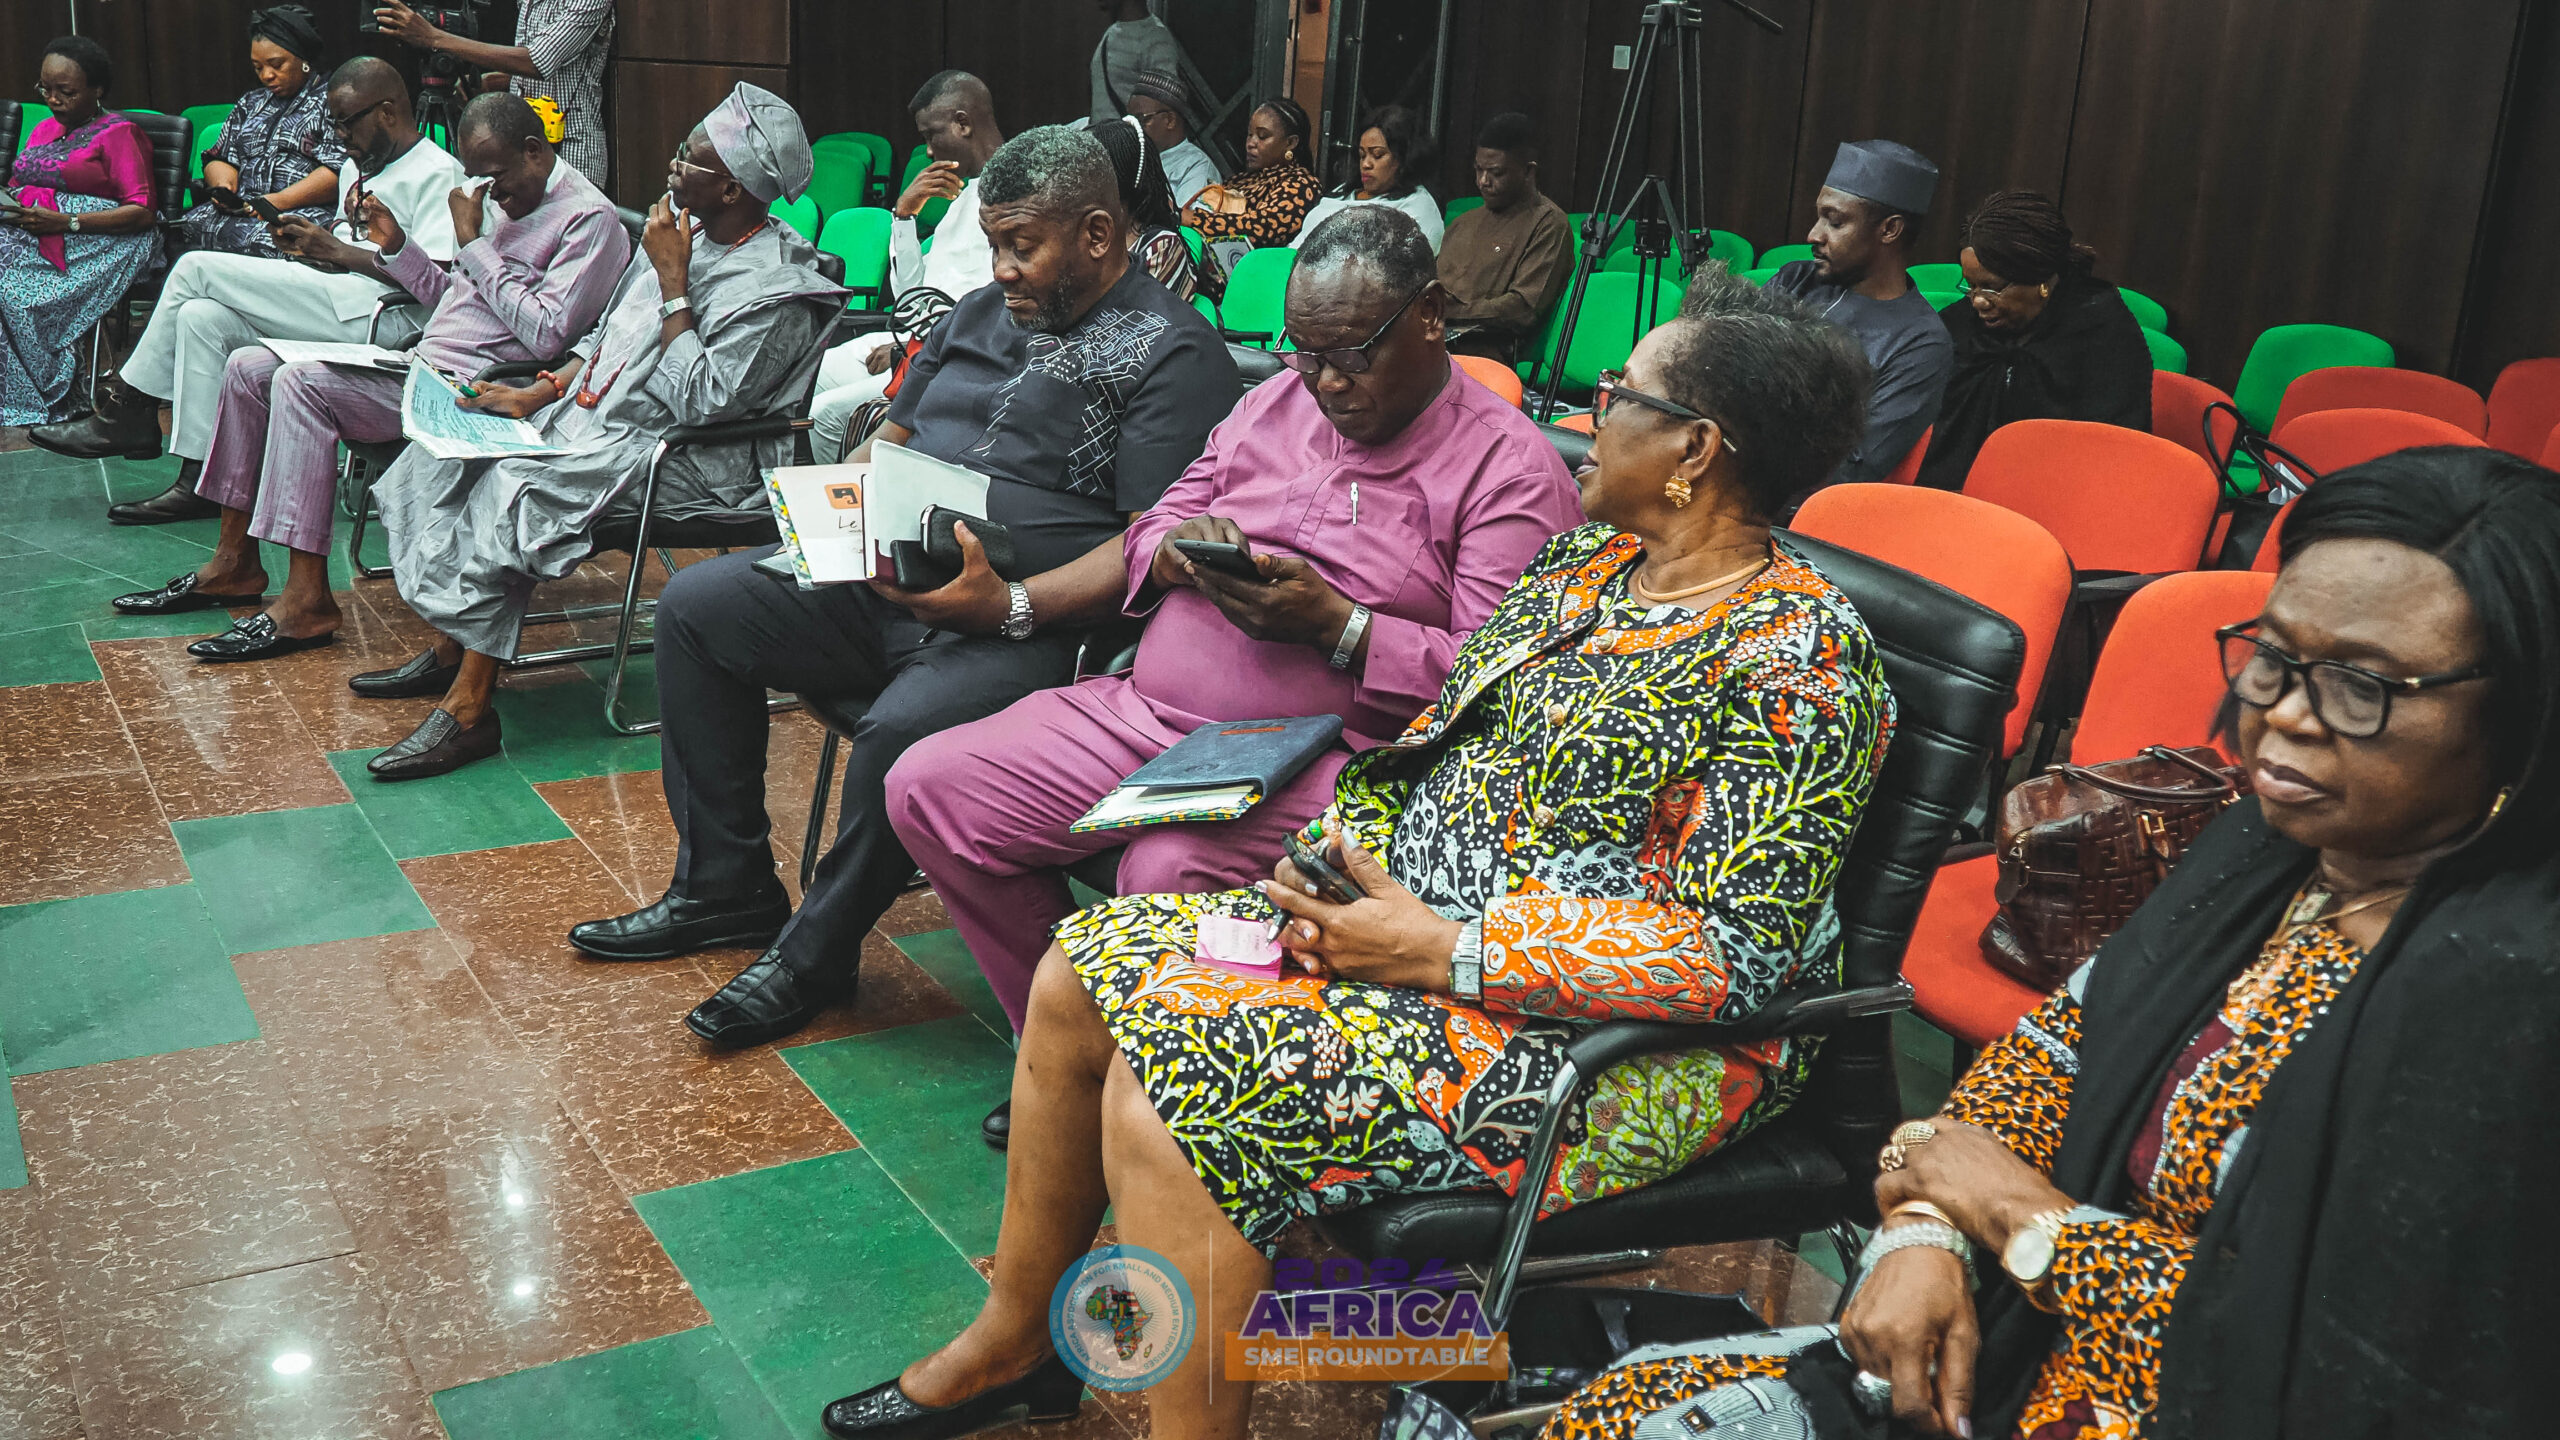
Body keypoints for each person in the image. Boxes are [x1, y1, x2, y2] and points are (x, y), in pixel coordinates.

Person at [821, 271, 1891, 1440]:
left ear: (1695, 447)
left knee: (1174, 1095)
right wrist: (1341, 865)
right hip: (1426, 939)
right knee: (1078, 973)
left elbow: (1734, 957)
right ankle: (1018, 1344)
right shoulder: (1585, 572)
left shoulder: (1798, 658)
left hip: (1616, 1045)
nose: (1585, 414)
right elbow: (1441, 753)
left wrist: (1448, 949)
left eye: (1616, 395)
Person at [1536, 443, 2560, 1440]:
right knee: (1621, 1409)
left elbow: (2338, 1370)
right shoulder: (2268, 850)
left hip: (2162, 1400)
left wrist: (2029, 1228)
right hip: (2025, 1350)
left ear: (2523, 712)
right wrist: (1925, 1231)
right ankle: (1433, 1351)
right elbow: (2040, 1067)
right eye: (2275, 658)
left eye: (2362, 686)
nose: (2285, 716)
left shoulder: (2511, 998)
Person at [886, 205, 1580, 1148]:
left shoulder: (1510, 469)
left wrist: (1342, 629)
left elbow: (1502, 682)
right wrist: (1178, 550)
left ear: (1431, 315)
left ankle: (1149, 1097)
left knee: (1166, 870)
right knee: (931, 787)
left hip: (1341, 761)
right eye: (1306, 353)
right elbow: (1158, 522)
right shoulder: (1274, 403)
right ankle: (1071, 1046)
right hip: (1149, 713)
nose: (1327, 383)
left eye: (1353, 354)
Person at [562, 126, 1239, 1052]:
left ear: (1095, 233)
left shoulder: (1176, 353)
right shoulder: (982, 312)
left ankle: (815, 955)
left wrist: (1010, 605)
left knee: (901, 729)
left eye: (1022, 246)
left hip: (1032, 623)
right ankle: (724, 888)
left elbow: (1146, 543)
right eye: (993, 244)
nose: (1000, 269)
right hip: (890, 572)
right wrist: (836, 512)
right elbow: (895, 440)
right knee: (695, 611)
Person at [354, 84, 844, 781]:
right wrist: (543, 389)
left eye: (689, 158)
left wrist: (675, 287)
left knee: (518, 484)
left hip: (691, 461)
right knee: (445, 453)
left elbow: (704, 402)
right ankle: (450, 646)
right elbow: (611, 332)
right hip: (600, 420)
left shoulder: (780, 289)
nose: (673, 164)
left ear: (732, 189)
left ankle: (470, 709)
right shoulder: (682, 231)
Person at [108, 94, 629, 663]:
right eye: (479, 177)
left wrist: (474, 244)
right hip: (424, 363)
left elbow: (547, 335)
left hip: (475, 390)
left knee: (301, 385)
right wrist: (398, 248)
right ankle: (235, 563)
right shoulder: (504, 195)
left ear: (534, 150)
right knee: (249, 367)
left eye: (496, 178)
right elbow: (450, 299)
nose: (489, 193)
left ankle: (307, 601)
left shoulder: (588, 221)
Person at [30, 56, 470, 527]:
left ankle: (128, 407)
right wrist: (313, 248)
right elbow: (349, 244)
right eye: (335, 123)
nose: (340, 136)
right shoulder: (358, 165)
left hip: (388, 319)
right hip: (336, 295)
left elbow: (437, 285)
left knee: (194, 267)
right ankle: (202, 480)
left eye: (347, 123)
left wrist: (338, 253)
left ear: (387, 111)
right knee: (200, 316)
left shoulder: (438, 172)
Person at [804, 70, 1006, 464]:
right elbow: (912, 296)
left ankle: (846, 498)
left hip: (947, 357)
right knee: (813, 372)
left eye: (932, 135)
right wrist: (903, 217)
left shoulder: (1006, 199)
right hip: (914, 338)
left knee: (824, 414)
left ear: (963, 123)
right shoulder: (963, 197)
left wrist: (915, 348)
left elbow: (983, 308)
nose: (928, 152)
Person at [1914, 190, 2155, 492]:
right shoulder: (1960, 325)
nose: (1978, 301)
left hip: (2059, 498)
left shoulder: (2104, 337)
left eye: (1991, 287)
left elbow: (2112, 452)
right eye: (1971, 286)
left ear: (2040, 280)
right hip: (1951, 498)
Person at [1763, 138, 1953, 501]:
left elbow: (1853, 468)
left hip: (1793, 514)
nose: (1813, 234)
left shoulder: (1920, 343)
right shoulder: (1795, 280)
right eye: (1819, 217)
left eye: (1835, 222)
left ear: (1889, 230)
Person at [0, 37, 159, 427]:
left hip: (99, 239)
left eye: (66, 92)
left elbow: (142, 212)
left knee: (11, 291)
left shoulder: (120, 134)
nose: (53, 100)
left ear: (97, 89)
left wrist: (67, 222)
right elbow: (21, 184)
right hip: (35, 230)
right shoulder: (44, 128)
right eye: (45, 89)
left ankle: (43, 390)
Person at [370, 0, 615, 188]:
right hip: (522, 145)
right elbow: (548, 66)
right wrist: (500, 80)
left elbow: (538, 60)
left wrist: (433, 36)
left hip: (571, 148)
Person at [176, 7, 345, 260]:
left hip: (302, 210)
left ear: (304, 58)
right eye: (258, 67)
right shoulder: (251, 103)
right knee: (182, 228)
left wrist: (278, 201)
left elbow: (338, 171)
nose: (267, 75)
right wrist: (223, 187)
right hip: (244, 209)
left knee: (272, 240)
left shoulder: (333, 101)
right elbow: (219, 156)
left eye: (276, 65)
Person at [1437, 110, 1569, 363]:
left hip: (1489, 346)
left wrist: (1446, 311)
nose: (1483, 181)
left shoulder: (1548, 224)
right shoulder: (1464, 222)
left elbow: (1522, 310)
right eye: (1478, 170)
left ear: (1528, 172)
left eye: (1496, 173)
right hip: (1440, 334)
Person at [1293, 103, 1443, 252]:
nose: (1365, 164)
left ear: (1405, 158)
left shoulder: (1417, 207)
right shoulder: (1343, 191)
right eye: (1362, 155)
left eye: (1377, 155)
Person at [1180, 97, 1319, 255]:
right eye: (1250, 135)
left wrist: (1195, 220)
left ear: (1290, 143)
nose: (1251, 143)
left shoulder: (1301, 184)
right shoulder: (1242, 180)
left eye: (1262, 136)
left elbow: (1264, 228)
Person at [1084, 115, 1197, 303]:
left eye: (1086, 174)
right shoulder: (1081, 233)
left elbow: (1133, 315)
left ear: (1117, 179)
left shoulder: (1162, 247)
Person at [1124, 71, 1220, 210]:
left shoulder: (1196, 166)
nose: (1133, 127)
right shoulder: (1131, 155)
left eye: (1141, 119)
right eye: (1130, 120)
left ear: (1170, 120)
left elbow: (1186, 219)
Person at [1089, 0, 1180, 123]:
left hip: (1126, 133)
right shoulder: (1111, 32)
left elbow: (1164, 111)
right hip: (1100, 132)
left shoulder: (1157, 40)